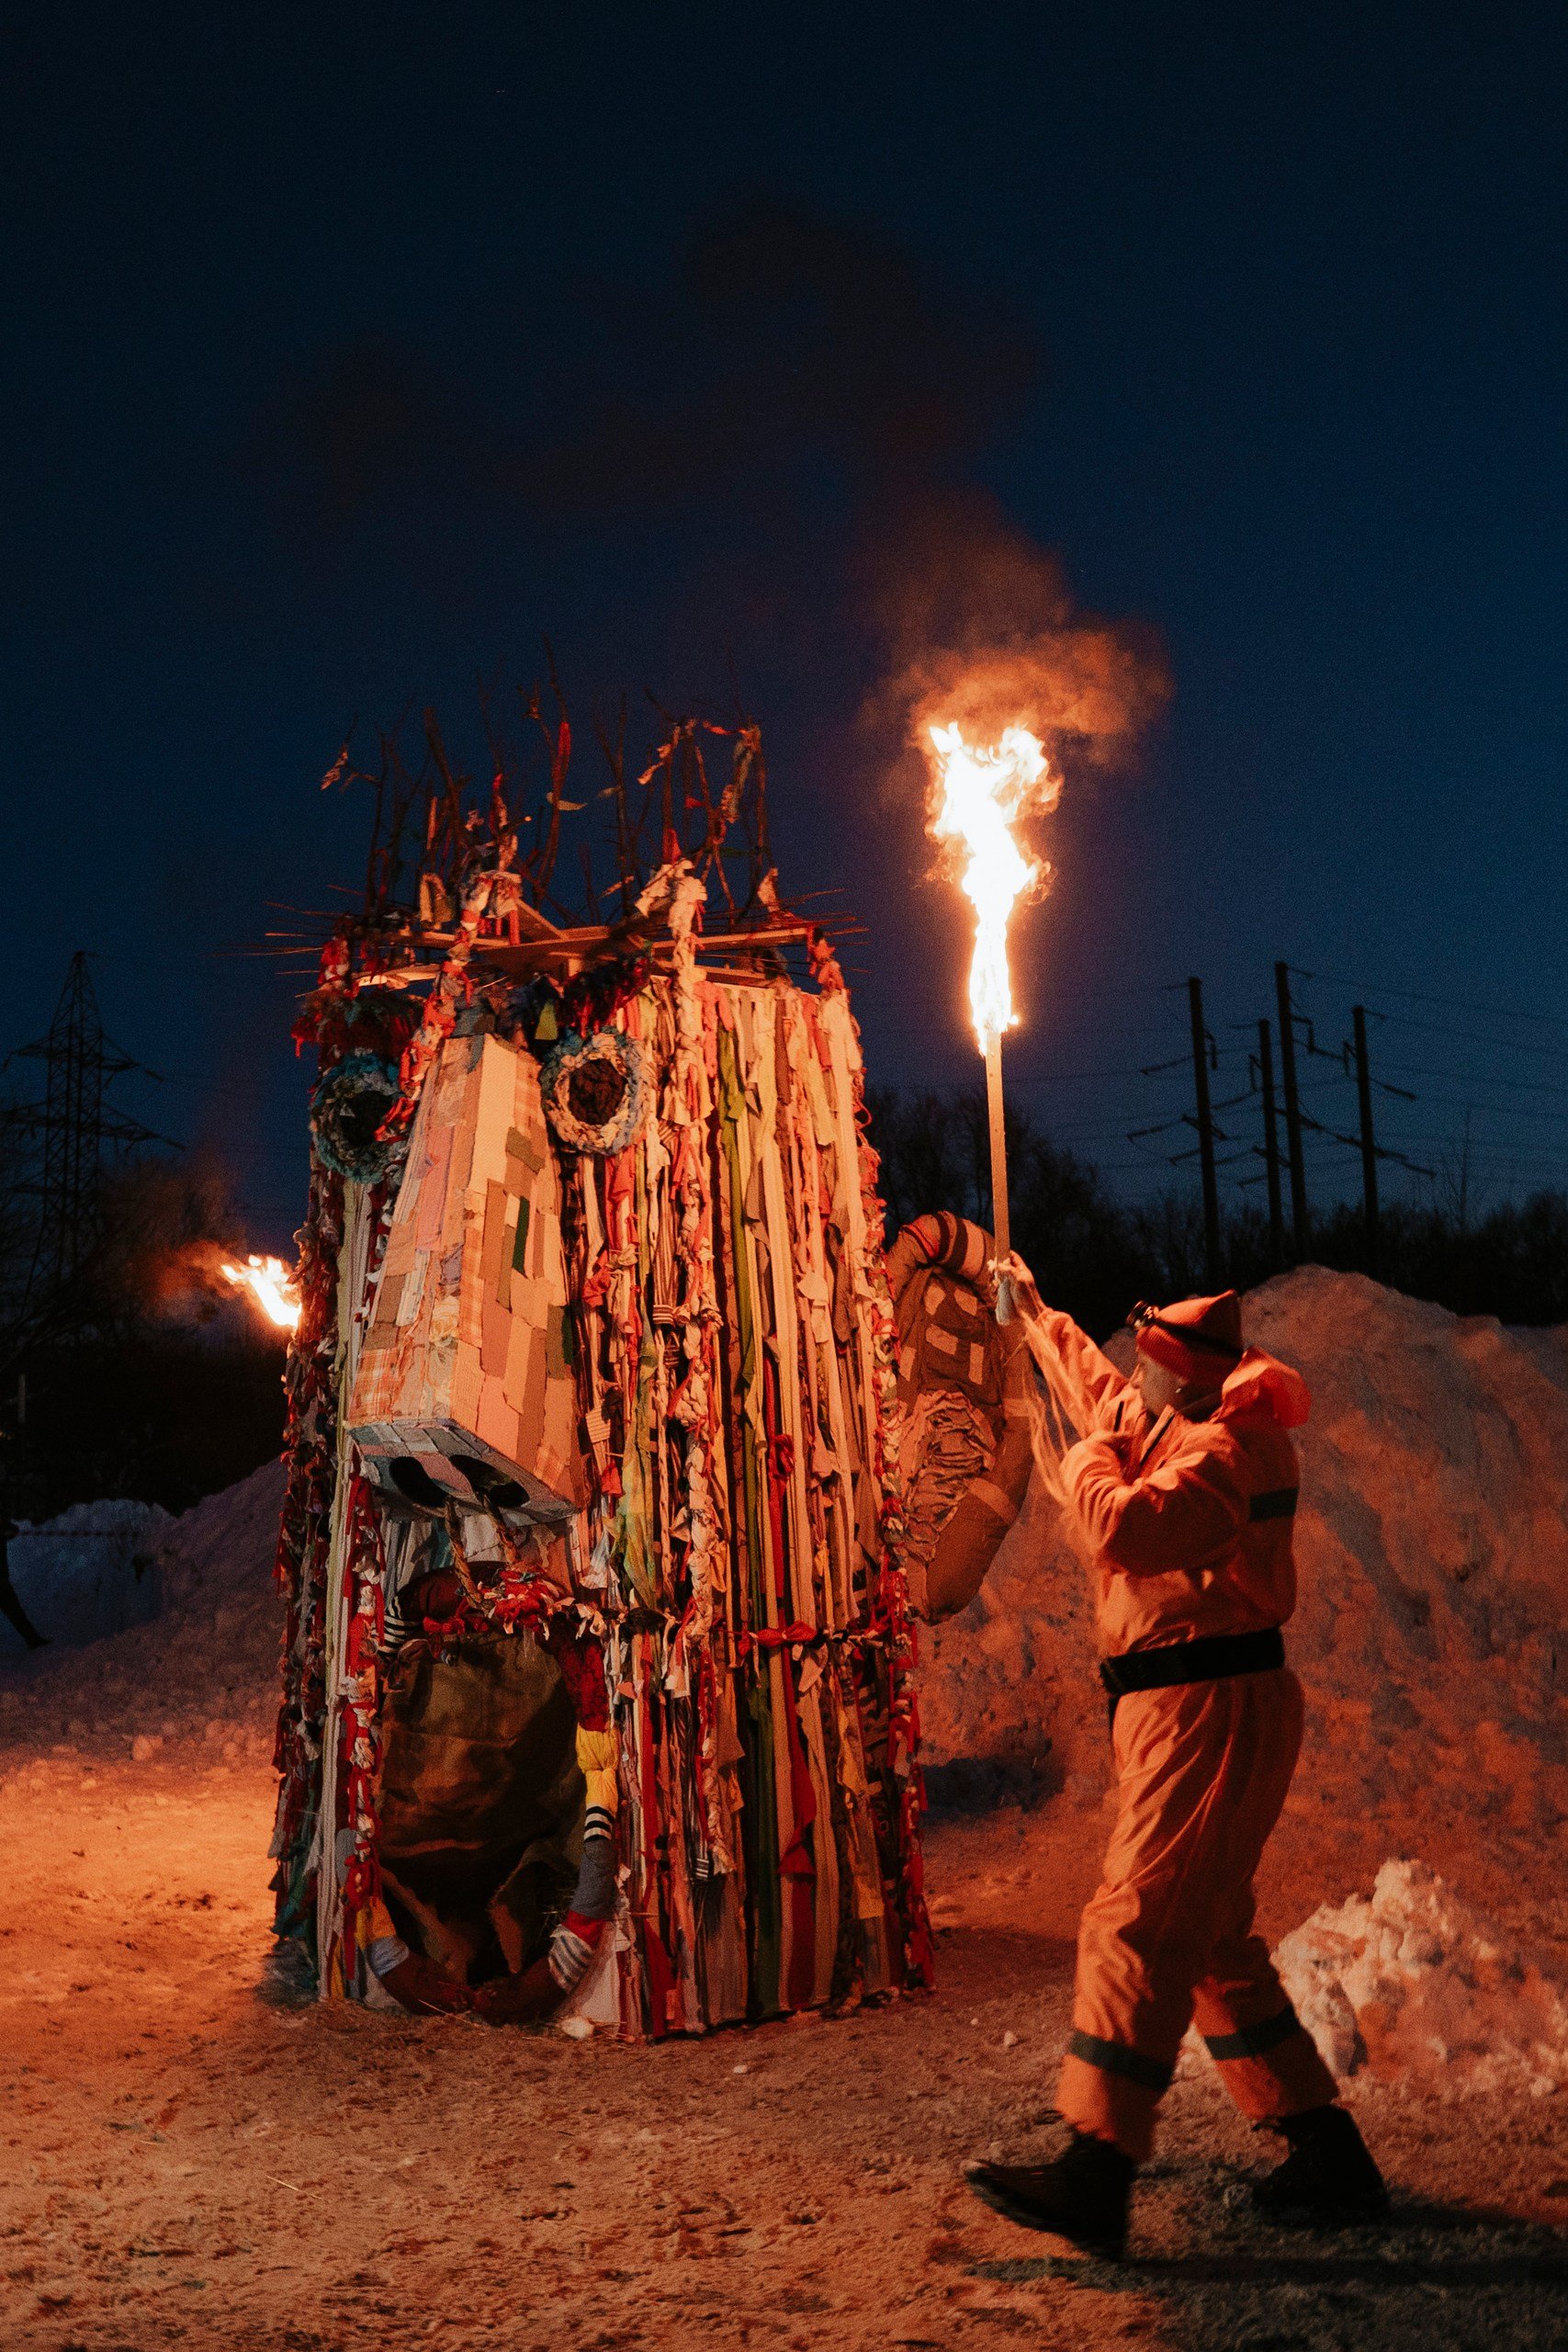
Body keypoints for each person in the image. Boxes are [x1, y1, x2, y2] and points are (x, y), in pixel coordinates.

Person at [965, 1268, 1387, 2259]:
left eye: (1146, 1367)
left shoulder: (1228, 1454)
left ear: (1185, 1379)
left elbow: (1123, 1528)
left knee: (1138, 1919)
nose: (1130, 1380)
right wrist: (1035, 1313)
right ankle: (1325, 2151)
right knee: (1207, 1942)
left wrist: (1091, 1458)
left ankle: (1096, 2166)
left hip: (1211, 1707)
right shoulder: (1175, 1418)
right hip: (1182, 1706)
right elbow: (1101, 1394)